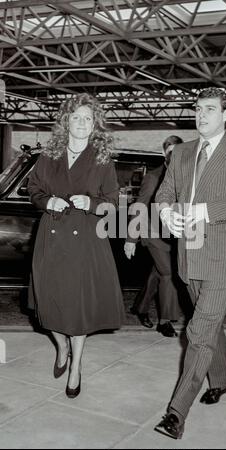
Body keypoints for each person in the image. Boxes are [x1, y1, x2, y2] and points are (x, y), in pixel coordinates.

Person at [154, 87, 226, 439]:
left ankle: (176, 412)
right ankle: (223, 379)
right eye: (198, 109)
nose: (202, 115)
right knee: (211, 324)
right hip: (189, 255)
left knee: (199, 331)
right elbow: (163, 195)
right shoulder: (182, 153)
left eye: (210, 110)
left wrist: (205, 211)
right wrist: (166, 212)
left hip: (224, 258)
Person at [28, 93, 124, 398]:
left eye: (88, 118)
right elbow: (33, 188)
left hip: (85, 241)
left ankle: (76, 367)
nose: (82, 123)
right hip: (52, 237)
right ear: (66, 121)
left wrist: (92, 203)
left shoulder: (102, 159)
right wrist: (47, 201)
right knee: (48, 302)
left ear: (94, 124)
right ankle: (61, 346)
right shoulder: (49, 155)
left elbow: (112, 204)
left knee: (78, 307)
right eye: (76, 117)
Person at [124, 135, 183, 337]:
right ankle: (164, 322)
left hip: (171, 234)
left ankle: (139, 307)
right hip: (151, 233)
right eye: (171, 152)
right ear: (163, 153)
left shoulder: (184, 176)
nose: (175, 156)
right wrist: (131, 239)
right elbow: (139, 207)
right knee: (169, 273)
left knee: (157, 273)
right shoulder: (154, 177)